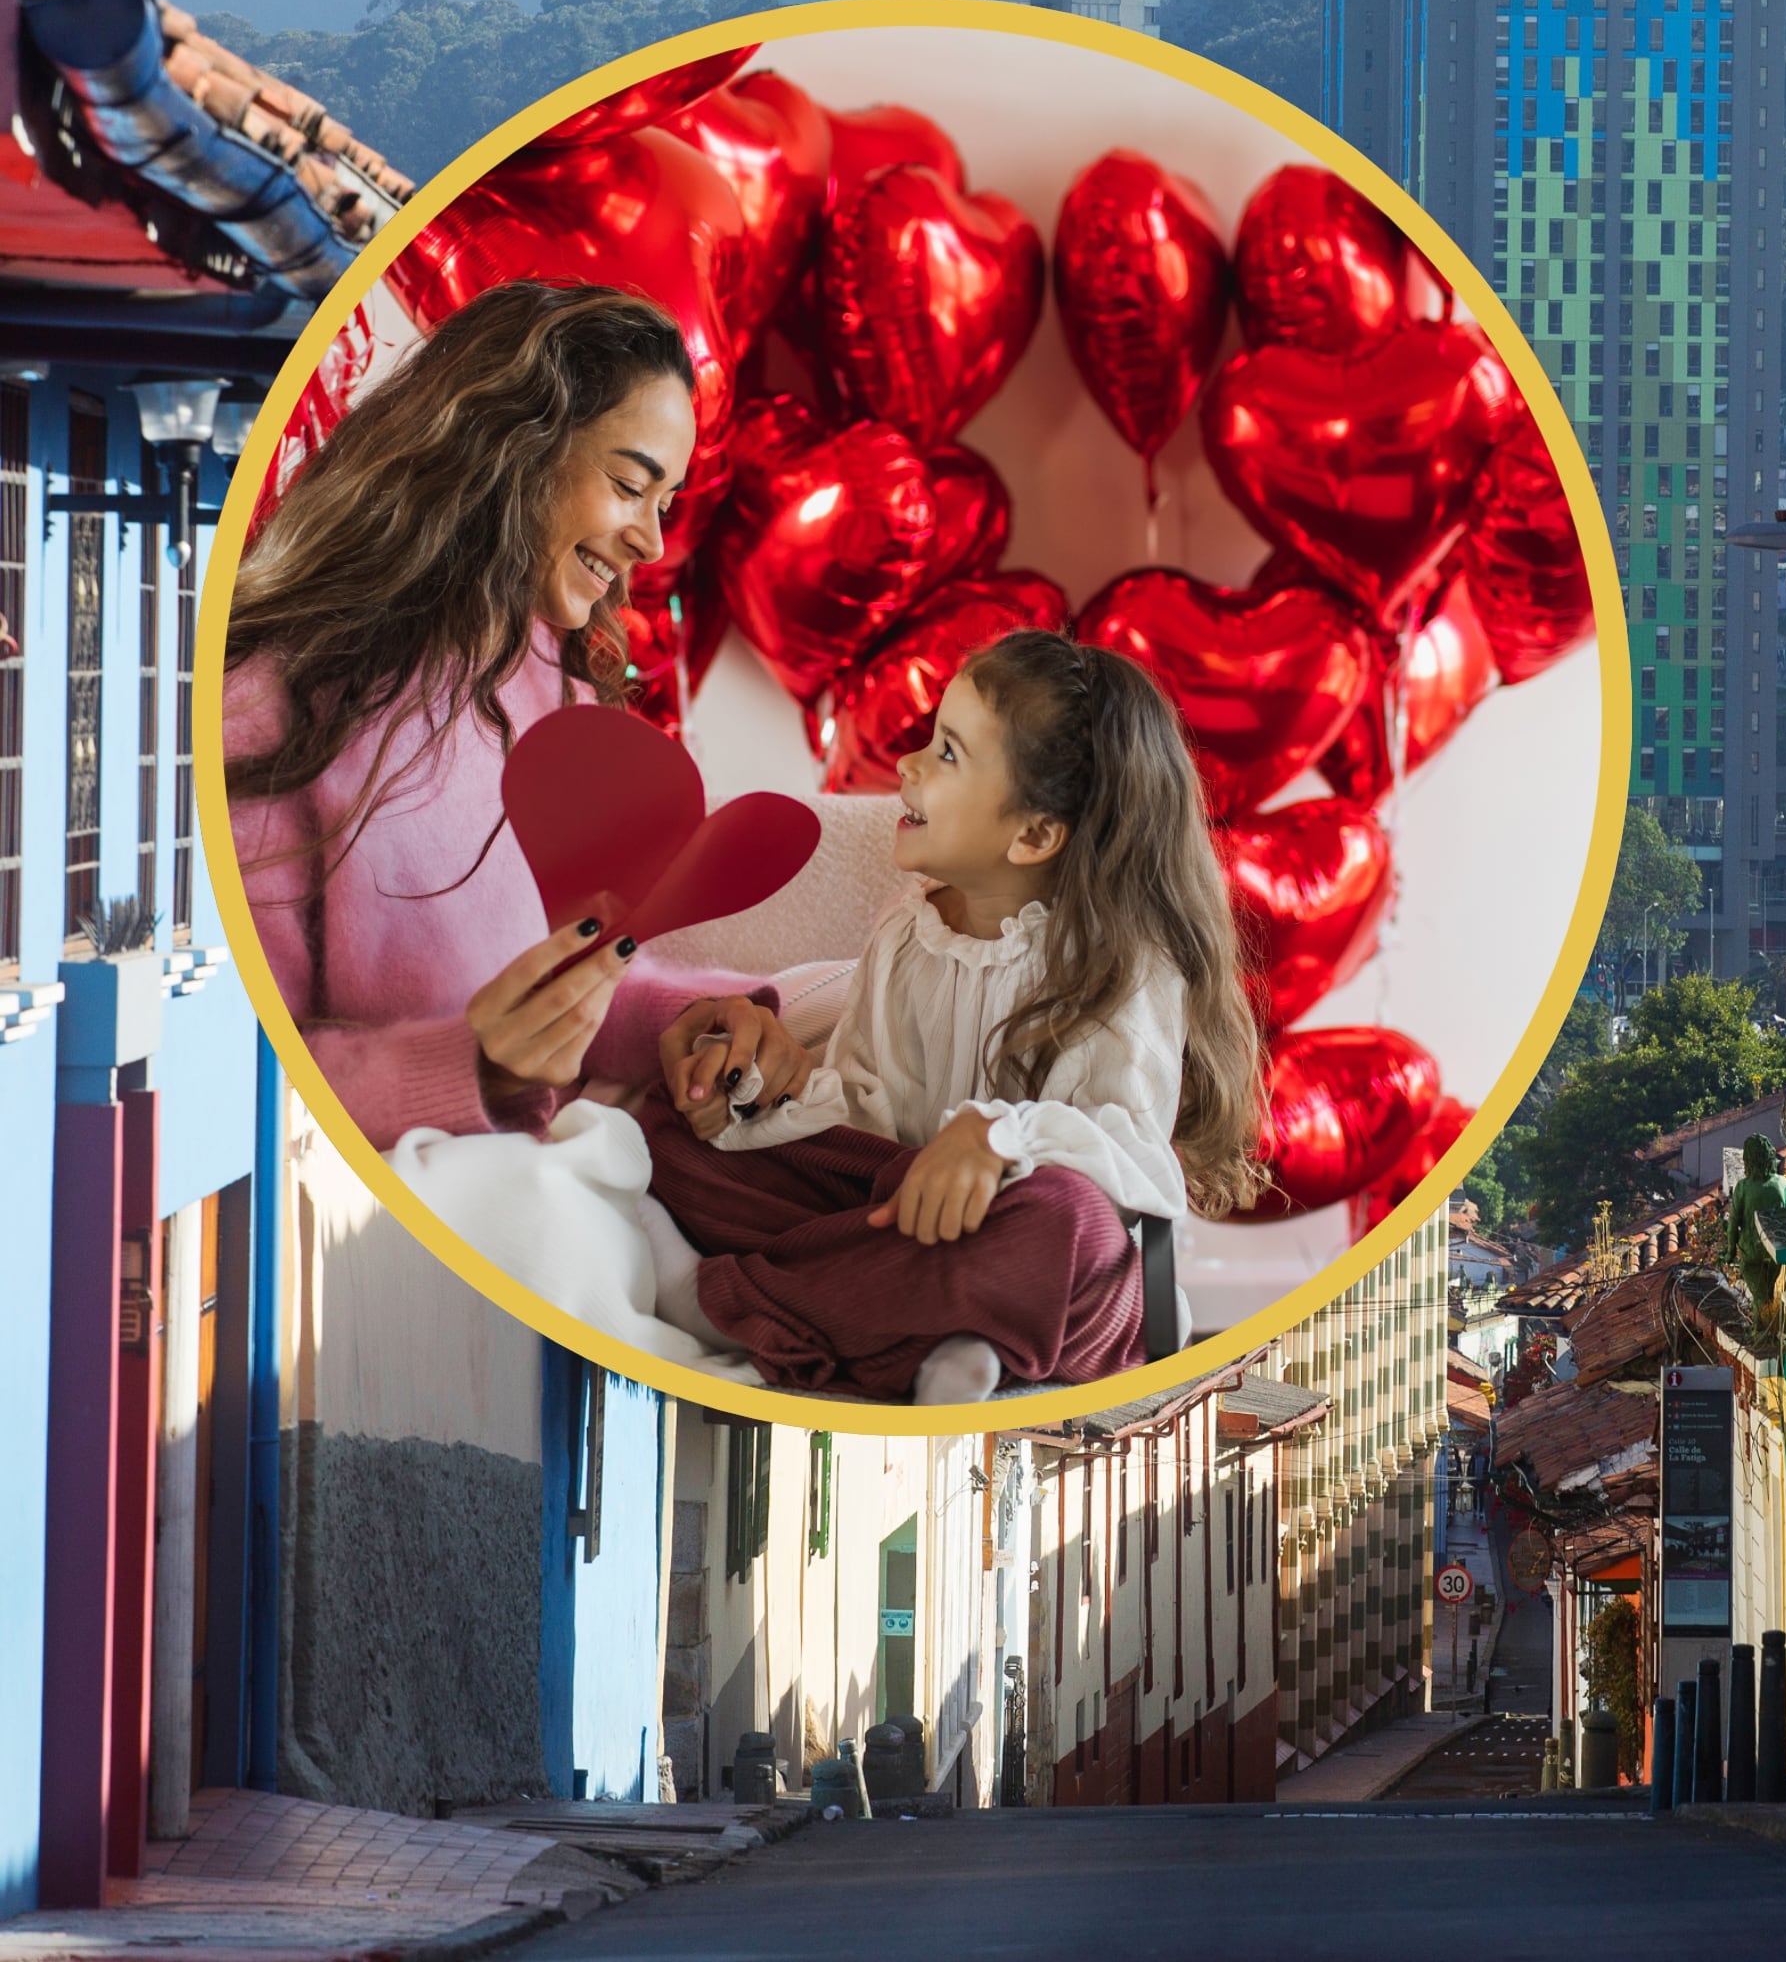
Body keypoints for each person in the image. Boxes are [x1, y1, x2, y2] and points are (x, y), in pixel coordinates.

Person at [223, 281, 795, 1154]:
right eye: (628, 485)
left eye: (666, 503)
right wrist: (473, 1067)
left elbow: (567, 983)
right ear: (508, 448)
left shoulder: (550, 678)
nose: (651, 539)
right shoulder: (273, 709)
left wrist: (702, 1017)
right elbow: (246, 1070)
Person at [644, 630, 1265, 1401]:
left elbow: (1134, 1159)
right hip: (904, 1216)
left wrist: (998, 1137)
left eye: (946, 753)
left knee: (1062, 1225)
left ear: (1034, 834)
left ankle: (724, 1301)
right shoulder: (908, 936)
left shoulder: (1127, 966)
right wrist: (772, 1095)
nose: (907, 766)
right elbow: (870, 1116)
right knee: (667, 1130)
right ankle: (937, 1340)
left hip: (1050, 1259)